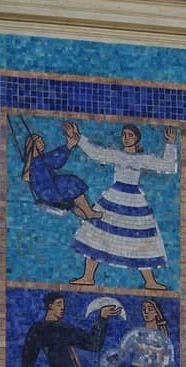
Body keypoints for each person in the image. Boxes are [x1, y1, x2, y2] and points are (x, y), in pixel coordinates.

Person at [64, 121, 178, 289]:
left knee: (141, 239)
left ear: (137, 139)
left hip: (134, 201)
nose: (126, 138)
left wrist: (171, 143)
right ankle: (88, 276)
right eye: (124, 135)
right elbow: (96, 153)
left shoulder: (143, 159)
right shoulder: (116, 155)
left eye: (130, 135)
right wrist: (79, 138)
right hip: (113, 198)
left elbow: (168, 166)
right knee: (96, 233)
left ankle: (150, 281)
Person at [9, 293, 121, 367]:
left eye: (63, 305)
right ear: (50, 306)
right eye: (59, 304)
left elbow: (93, 344)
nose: (62, 308)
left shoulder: (65, 329)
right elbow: (29, 356)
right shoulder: (39, 328)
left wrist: (102, 317)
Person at [96, 299, 178, 367]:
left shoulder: (164, 341)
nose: (146, 312)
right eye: (144, 309)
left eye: (150, 309)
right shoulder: (135, 334)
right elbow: (118, 354)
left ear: (157, 312)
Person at [21, 133, 102, 219]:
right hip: (51, 192)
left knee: (67, 185)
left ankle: (81, 212)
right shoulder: (41, 161)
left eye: (42, 141)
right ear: (34, 146)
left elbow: (26, 177)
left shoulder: (32, 162)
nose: (43, 143)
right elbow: (56, 159)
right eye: (40, 142)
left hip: (45, 192)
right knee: (72, 183)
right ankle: (89, 213)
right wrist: (68, 146)